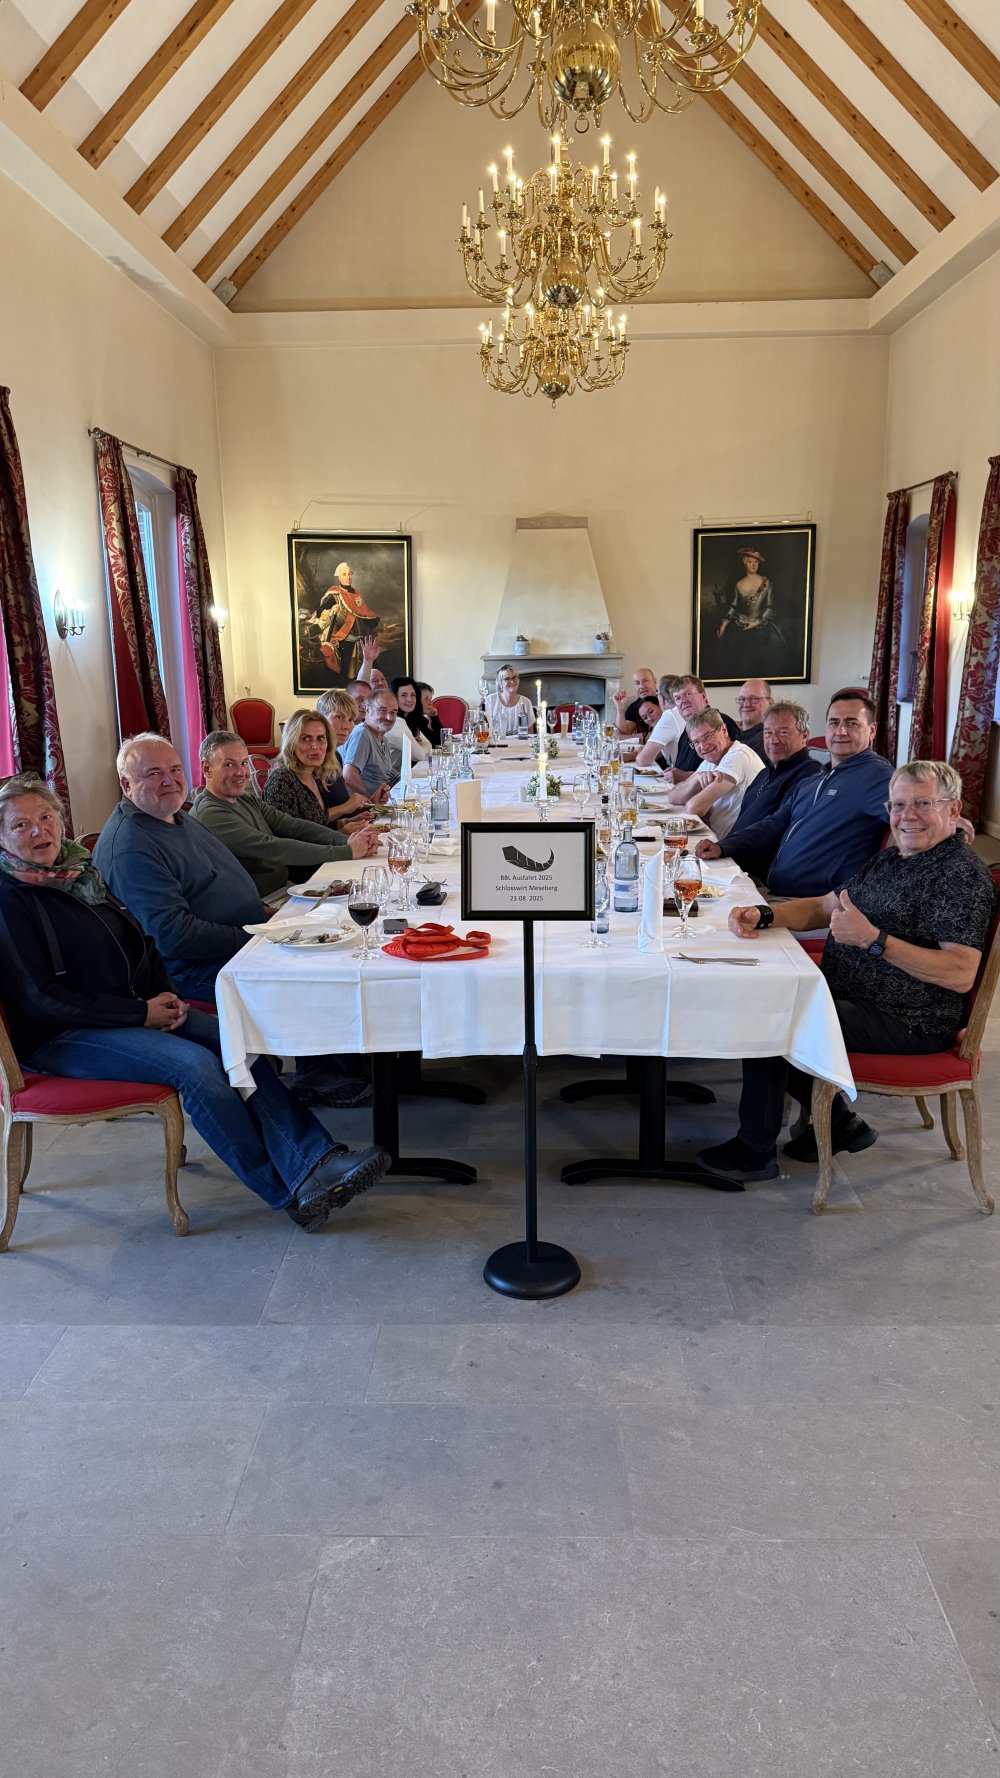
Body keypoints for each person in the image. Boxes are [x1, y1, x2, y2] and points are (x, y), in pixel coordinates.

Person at [0, 777, 389, 1229]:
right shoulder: (10, 898)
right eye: (21, 825)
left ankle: (316, 1159)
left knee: (234, 1041)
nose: (39, 830)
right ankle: (289, 1191)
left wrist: (164, 995)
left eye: (46, 817)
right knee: (195, 1066)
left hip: (126, 1008)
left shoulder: (77, 874)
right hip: (61, 1036)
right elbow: (40, 999)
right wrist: (139, 1013)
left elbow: (141, 939)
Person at [696, 761, 997, 1186]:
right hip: (852, 995)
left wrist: (874, 939)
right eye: (898, 805)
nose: (907, 816)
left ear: (953, 809)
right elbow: (826, 905)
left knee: (773, 1016)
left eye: (922, 804)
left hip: (909, 1019)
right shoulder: (893, 858)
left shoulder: (959, 876)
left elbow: (960, 973)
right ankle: (842, 1125)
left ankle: (755, 1151)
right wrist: (763, 914)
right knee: (770, 996)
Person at [93, 733, 268, 1003]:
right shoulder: (131, 848)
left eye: (175, 769)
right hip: (195, 971)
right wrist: (253, 937)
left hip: (242, 942)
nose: (169, 780)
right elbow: (174, 935)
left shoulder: (174, 815)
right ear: (126, 784)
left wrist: (266, 916)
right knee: (309, 983)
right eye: (154, 773)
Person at [695, 689, 892, 898]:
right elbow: (773, 824)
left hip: (809, 902)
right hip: (772, 889)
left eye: (852, 723)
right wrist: (723, 847)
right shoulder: (814, 781)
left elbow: (908, 828)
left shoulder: (877, 776)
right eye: (834, 723)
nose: (841, 731)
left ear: (872, 730)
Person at [192, 732, 380, 895]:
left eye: (243, 763)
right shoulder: (211, 813)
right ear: (207, 769)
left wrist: (347, 841)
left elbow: (292, 825)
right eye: (229, 765)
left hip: (285, 888)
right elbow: (272, 847)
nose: (241, 772)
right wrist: (346, 851)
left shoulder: (244, 798)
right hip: (261, 902)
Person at [695, 701, 821, 869]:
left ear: (804, 736)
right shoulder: (766, 771)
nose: (773, 740)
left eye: (783, 732)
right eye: (768, 732)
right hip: (731, 856)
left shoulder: (809, 774)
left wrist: (724, 847)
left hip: (755, 871)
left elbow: (775, 828)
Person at [664, 708, 765, 838]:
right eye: (696, 742)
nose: (703, 746)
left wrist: (700, 803)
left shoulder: (738, 756)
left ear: (724, 730)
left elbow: (694, 808)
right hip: (717, 839)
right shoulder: (712, 759)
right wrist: (697, 778)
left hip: (733, 844)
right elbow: (673, 797)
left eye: (708, 736)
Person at [263, 709, 373, 828]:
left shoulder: (314, 774)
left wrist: (344, 823)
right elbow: (287, 835)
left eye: (320, 738)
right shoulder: (281, 780)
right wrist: (341, 833)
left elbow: (317, 822)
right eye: (305, 738)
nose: (315, 746)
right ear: (291, 743)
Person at [635, 676, 740, 777]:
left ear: (703, 696)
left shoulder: (721, 722)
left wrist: (683, 776)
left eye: (688, 694)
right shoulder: (689, 728)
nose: (683, 701)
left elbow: (727, 772)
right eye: (678, 698)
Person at [317, 564, 379, 680]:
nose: (348, 577)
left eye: (350, 574)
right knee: (344, 673)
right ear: (338, 577)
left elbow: (364, 613)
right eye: (344, 574)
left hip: (361, 639)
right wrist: (331, 610)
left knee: (370, 670)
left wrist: (373, 621)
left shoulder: (357, 594)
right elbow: (320, 612)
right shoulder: (334, 595)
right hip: (344, 639)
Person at [340, 690, 402, 800]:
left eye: (393, 712)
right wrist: (371, 801)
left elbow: (386, 773)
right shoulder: (362, 734)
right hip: (362, 807)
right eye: (383, 711)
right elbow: (348, 776)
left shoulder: (383, 740)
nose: (389, 718)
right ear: (367, 709)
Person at [386, 677, 434, 771]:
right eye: (404, 695)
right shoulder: (396, 723)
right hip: (389, 778)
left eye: (413, 695)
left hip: (402, 774)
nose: (409, 699)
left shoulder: (411, 720)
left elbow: (429, 745)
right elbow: (421, 756)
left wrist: (420, 747)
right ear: (394, 697)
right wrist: (419, 746)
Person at [485, 666, 535, 737]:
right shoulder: (490, 700)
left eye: (514, 678)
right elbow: (483, 728)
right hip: (497, 742)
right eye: (507, 679)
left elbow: (530, 732)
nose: (512, 681)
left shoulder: (526, 702)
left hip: (519, 742)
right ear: (500, 683)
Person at [612, 667, 659, 737]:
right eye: (637, 683)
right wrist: (620, 708)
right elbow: (624, 733)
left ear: (654, 682)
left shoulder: (665, 702)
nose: (641, 686)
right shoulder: (634, 707)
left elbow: (660, 734)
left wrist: (626, 738)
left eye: (645, 681)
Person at [733, 678, 773, 761]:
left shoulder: (768, 739)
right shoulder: (730, 733)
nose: (746, 704)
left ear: (770, 702)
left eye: (754, 698)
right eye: (741, 699)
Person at [417, 683, 442, 748]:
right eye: (426, 699)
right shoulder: (415, 722)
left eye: (430, 699)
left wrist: (434, 719)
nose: (431, 703)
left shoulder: (422, 720)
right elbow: (434, 744)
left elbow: (440, 741)